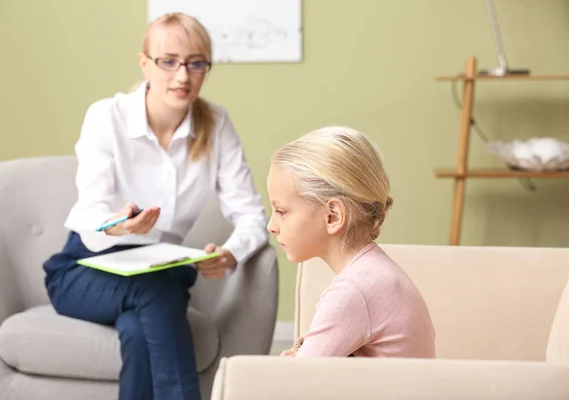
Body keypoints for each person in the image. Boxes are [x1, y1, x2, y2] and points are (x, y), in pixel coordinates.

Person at [43, 13, 268, 400]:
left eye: (196, 63)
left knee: (138, 328)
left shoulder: (216, 123)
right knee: (158, 293)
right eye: (169, 61)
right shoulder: (106, 116)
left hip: (162, 272)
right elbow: (90, 208)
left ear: (206, 69)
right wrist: (118, 226)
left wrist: (230, 255)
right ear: (145, 63)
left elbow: (251, 216)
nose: (182, 76)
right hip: (85, 271)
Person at [266, 126, 435, 358]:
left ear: (333, 216)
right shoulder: (375, 274)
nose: (271, 226)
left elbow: (294, 384)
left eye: (281, 211)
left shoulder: (354, 291)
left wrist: (293, 361)